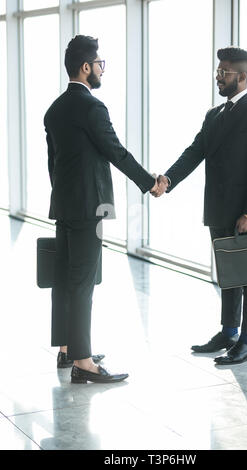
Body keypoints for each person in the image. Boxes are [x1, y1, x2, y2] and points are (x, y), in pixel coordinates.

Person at [44, 35, 158, 383]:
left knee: (64, 279)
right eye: (99, 64)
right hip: (89, 209)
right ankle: (84, 361)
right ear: (85, 67)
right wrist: (149, 182)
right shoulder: (93, 108)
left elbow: (54, 163)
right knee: (82, 282)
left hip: (64, 205)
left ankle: (67, 348)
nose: (100, 69)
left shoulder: (54, 109)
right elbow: (116, 151)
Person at [152, 47, 247, 365]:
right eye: (218, 71)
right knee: (228, 274)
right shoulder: (214, 115)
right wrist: (168, 180)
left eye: (224, 73)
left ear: (243, 77)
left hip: (244, 213)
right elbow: (195, 151)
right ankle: (229, 331)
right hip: (218, 209)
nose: (218, 78)